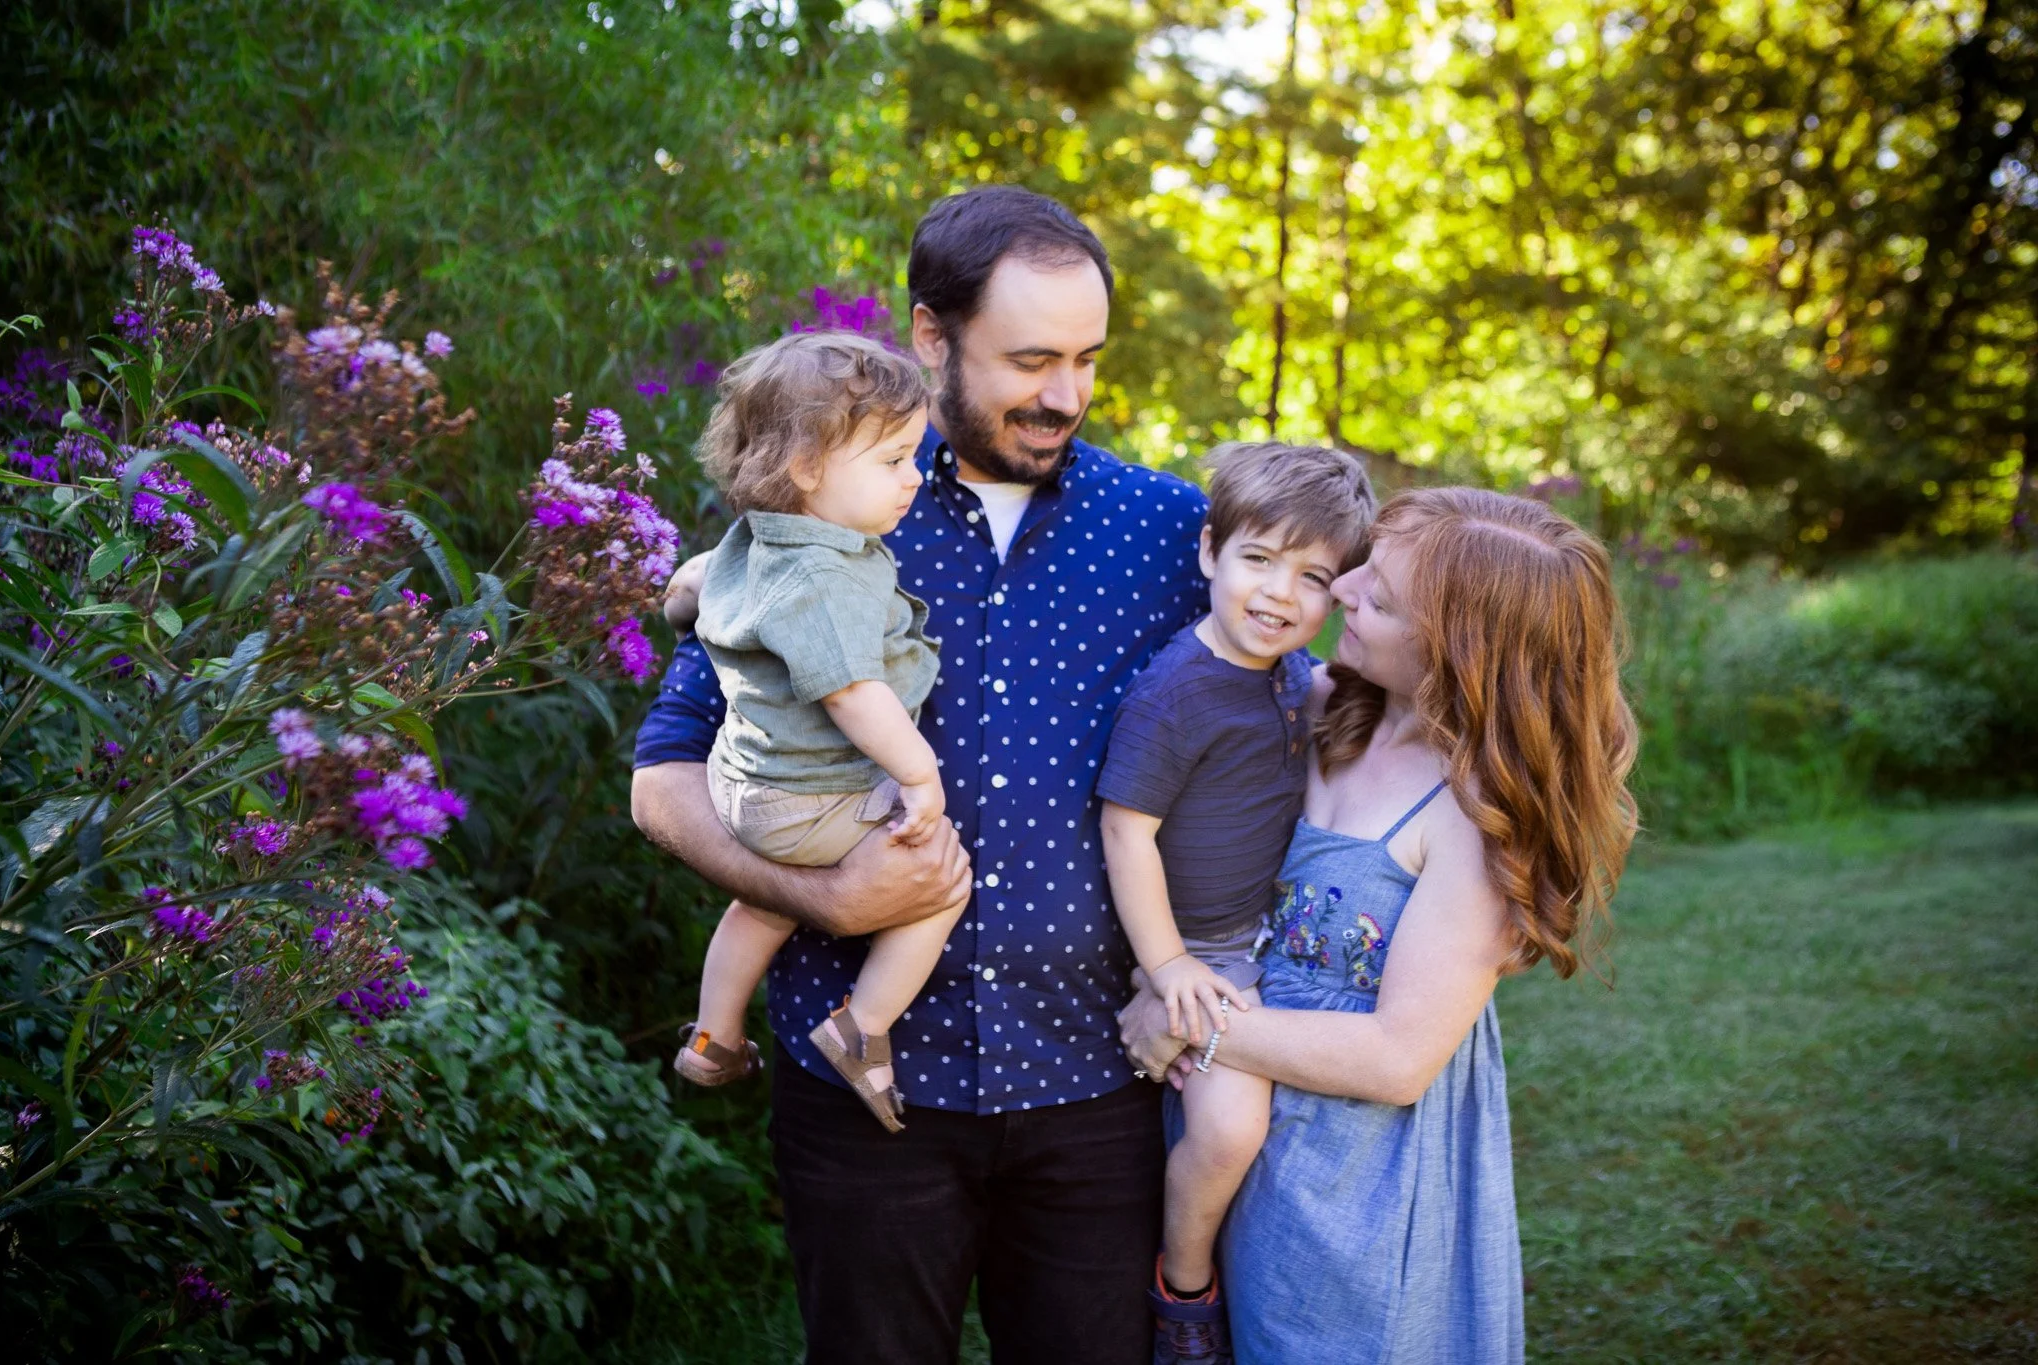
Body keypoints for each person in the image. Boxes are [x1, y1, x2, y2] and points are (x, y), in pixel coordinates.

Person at [631, 185, 1210, 1364]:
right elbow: (664, 781)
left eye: (1087, 359)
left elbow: (1270, 739)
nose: (1064, 394)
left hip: (1096, 1086)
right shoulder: (822, 511)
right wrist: (822, 898)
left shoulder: (1167, 530)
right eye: (1031, 358)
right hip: (862, 1106)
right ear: (930, 336)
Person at [1120, 487, 1639, 1363]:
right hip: (1236, 1125)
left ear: (1459, 655)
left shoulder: (1473, 817)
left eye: (1381, 596)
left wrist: (1186, 1021)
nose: (1344, 589)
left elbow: (1398, 1060)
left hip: (1357, 1183)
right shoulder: (1317, 707)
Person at [1093, 441, 1375, 1361]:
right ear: (1211, 551)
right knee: (1231, 1125)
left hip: (1276, 940)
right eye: (1258, 559)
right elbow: (1126, 830)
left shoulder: (1297, 677)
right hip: (1199, 946)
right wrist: (1168, 965)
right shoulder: (1178, 690)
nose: (1279, 594)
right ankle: (1184, 1291)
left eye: (1312, 576)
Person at [657, 330, 955, 1132]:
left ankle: (714, 1038)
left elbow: (687, 585)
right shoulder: (823, 576)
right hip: (808, 795)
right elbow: (853, 694)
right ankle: (864, 1027)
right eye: (891, 459)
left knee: (761, 904)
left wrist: (677, 607)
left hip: (747, 782)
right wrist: (920, 774)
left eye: (912, 454)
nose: (914, 475)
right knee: (940, 880)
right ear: (807, 467)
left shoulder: (754, 537)